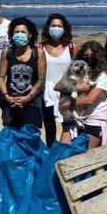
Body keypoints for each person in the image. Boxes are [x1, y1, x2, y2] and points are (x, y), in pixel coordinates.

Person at [0, 17, 46, 130]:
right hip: (11, 101)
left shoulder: (38, 53)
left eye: (23, 32)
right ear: (12, 34)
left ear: (30, 35)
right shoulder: (7, 52)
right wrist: (6, 96)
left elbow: (41, 80)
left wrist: (28, 98)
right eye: (16, 32)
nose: (19, 35)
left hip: (32, 102)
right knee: (11, 137)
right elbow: (1, 77)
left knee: (30, 137)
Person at [73, 41, 107, 148]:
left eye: (92, 57)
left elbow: (90, 100)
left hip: (96, 120)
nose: (89, 59)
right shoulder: (84, 73)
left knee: (88, 157)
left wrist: (69, 102)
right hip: (81, 119)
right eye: (86, 56)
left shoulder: (104, 76)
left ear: (99, 57)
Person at [40, 14, 74, 146]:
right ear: (48, 28)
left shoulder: (71, 47)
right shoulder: (41, 47)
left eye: (59, 26)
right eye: (53, 25)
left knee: (68, 124)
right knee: (49, 125)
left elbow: (77, 68)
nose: (56, 28)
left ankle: (64, 151)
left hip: (66, 90)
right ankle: (51, 150)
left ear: (65, 29)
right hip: (46, 91)